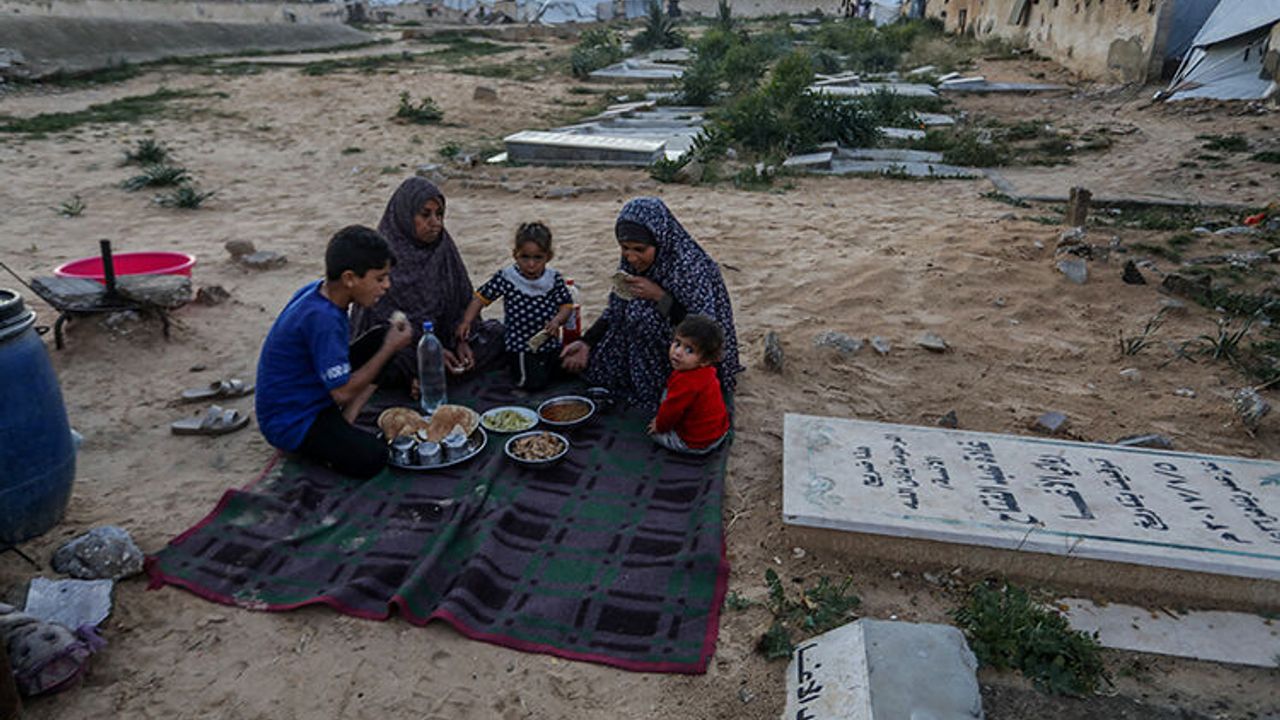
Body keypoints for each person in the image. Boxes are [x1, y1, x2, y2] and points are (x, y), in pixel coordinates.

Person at [256, 225, 413, 479]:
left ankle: (346, 421)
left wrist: (386, 346)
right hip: (293, 421)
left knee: (382, 337)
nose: (387, 286)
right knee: (374, 458)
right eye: (379, 278)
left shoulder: (321, 293)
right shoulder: (322, 318)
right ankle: (321, 444)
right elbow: (341, 393)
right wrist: (389, 349)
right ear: (350, 278)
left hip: (312, 393)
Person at [560, 197, 741, 412]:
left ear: (659, 240)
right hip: (640, 347)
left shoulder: (689, 267)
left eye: (639, 249)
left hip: (688, 353)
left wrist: (660, 297)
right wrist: (587, 342)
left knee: (642, 315)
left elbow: (705, 330)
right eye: (625, 248)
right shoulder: (630, 261)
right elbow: (616, 309)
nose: (632, 257)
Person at [350, 177, 504, 388]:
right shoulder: (382, 255)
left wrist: (462, 340)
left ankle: (428, 377)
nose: (436, 223)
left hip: (444, 341)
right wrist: (428, 351)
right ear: (405, 215)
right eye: (425, 215)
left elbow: (461, 302)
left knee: (498, 336)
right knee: (390, 365)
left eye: (439, 214)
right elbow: (375, 329)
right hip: (403, 349)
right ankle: (419, 377)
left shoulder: (442, 246)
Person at [457, 222, 573, 390]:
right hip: (521, 346)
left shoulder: (553, 278)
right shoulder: (508, 278)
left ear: (548, 256)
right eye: (525, 257)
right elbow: (480, 298)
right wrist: (466, 321)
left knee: (564, 373)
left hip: (550, 343)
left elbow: (566, 305)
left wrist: (557, 321)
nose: (531, 264)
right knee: (531, 384)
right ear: (515, 255)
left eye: (538, 258)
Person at [648, 315, 730, 454]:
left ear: (704, 360)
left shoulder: (685, 382)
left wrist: (659, 426)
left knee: (654, 433)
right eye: (677, 343)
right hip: (719, 433)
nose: (678, 352)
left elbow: (670, 412)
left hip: (695, 443)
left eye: (689, 350)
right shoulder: (708, 372)